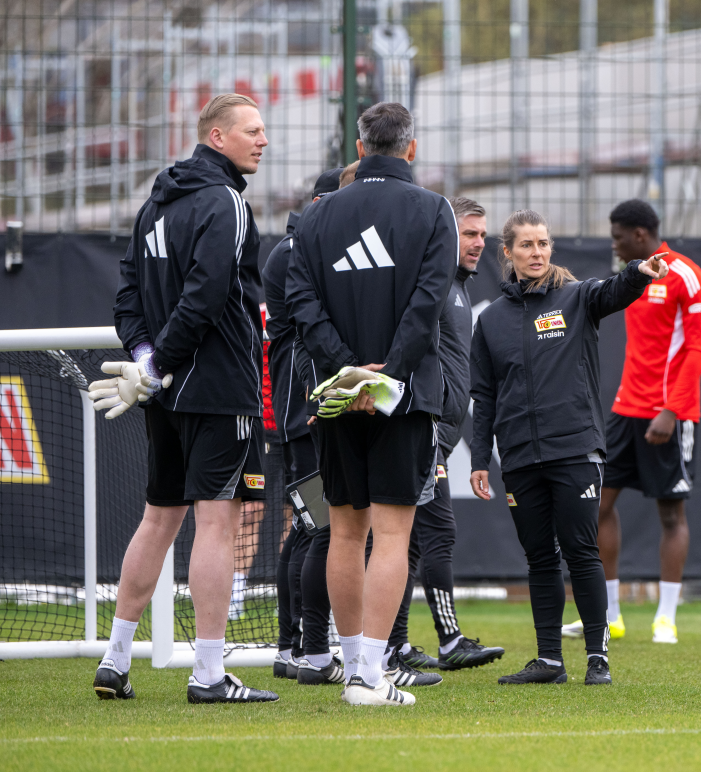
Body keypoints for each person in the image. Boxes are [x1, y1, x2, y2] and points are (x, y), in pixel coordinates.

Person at [91, 93, 279, 703]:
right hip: (218, 388)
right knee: (216, 525)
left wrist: (147, 363)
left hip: (165, 394)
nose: (264, 140)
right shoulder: (224, 200)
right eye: (252, 131)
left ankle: (114, 662)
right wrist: (160, 362)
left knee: (158, 517)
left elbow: (128, 300)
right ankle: (207, 673)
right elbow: (205, 295)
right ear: (216, 137)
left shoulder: (155, 204)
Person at [287, 101, 457, 706]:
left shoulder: (314, 217)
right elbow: (428, 302)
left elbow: (300, 303)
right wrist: (387, 376)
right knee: (390, 536)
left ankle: (354, 663)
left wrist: (346, 372)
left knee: (342, 531)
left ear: (360, 149)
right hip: (403, 398)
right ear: (411, 148)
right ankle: (367, 676)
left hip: (336, 395)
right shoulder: (435, 209)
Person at [470, 209, 668, 686]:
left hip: (576, 450)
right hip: (518, 457)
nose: (536, 253)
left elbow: (613, 291)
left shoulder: (577, 297)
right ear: (508, 253)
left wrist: (638, 273)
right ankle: (549, 661)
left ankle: (597, 658)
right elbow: (485, 397)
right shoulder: (491, 321)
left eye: (543, 244)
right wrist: (480, 460)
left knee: (582, 551)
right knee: (540, 557)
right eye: (526, 246)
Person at [562, 199, 701, 646]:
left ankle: (666, 618)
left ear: (640, 236)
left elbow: (697, 350)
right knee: (599, 506)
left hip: (668, 413)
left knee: (670, 513)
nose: (614, 244)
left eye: (618, 236)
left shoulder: (685, 274)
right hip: (626, 411)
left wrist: (672, 409)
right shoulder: (632, 277)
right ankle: (610, 615)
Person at [387, 197, 506, 674]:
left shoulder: (457, 288)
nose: (479, 243)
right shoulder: (433, 284)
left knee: (411, 541)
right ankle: (444, 638)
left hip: (441, 434)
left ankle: (394, 644)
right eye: (469, 233)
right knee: (434, 532)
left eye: (483, 234)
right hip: (424, 431)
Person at [262, 167, 342, 681]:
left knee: (309, 529)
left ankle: (293, 647)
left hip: (299, 410)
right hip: (305, 411)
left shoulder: (294, 248)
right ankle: (312, 651)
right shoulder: (299, 252)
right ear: (321, 202)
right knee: (323, 529)